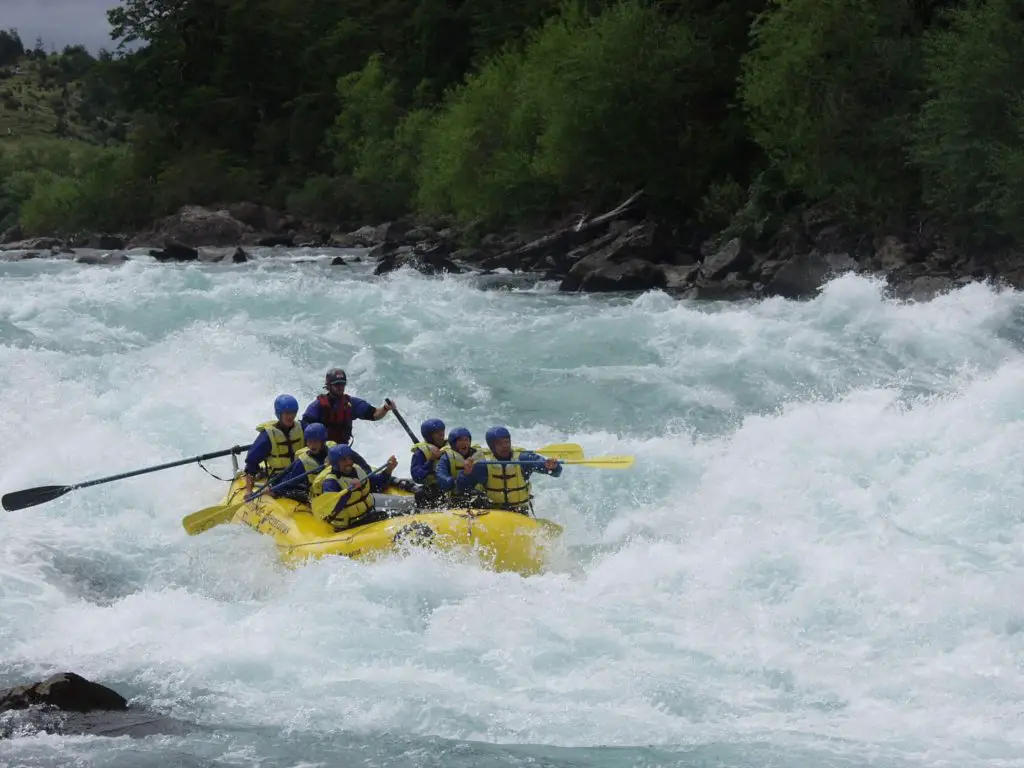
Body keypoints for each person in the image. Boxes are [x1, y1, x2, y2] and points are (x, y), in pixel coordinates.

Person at [454, 426, 562, 515]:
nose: (505, 446)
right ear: (492, 447)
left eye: (507, 442)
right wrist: (466, 473)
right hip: (494, 512)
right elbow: (462, 488)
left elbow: (556, 473)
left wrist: (553, 467)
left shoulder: (523, 459)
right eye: (500, 444)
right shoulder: (483, 465)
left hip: (520, 511)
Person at [301, 367, 395, 447]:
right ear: (328, 386)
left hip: (342, 450)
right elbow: (305, 429)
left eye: (343, 384)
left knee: (360, 463)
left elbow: (374, 414)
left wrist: (385, 408)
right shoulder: (318, 405)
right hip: (320, 449)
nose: (340, 387)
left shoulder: (351, 403)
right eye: (337, 384)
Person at [311, 444, 398, 531]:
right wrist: (349, 490)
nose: (348, 462)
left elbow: (378, 482)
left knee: (398, 515)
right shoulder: (330, 482)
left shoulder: (357, 469)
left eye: (349, 458)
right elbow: (332, 509)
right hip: (349, 525)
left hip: (366, 515)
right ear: (335, 463)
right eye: (343, 460)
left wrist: (388, 470)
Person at [243, 394, 305, 495]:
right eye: (287, 413)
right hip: (278, 478)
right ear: (279, 413)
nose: (291, 416)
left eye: (294, 412)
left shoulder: (302, 428)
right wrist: (248, 491)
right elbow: (251, 462)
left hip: (300, 473)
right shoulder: (268, 436)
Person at [270, 423, 334, 501]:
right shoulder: (303, 462)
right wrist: (274, 490)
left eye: (315, 441)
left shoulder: (334, 450)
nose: (312, 445)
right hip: (317, 498)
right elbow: (290, 481)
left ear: (323, 441)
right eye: (309, 441)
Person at [435, 426, 487, 506]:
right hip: (455, 495)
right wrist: (452, 481)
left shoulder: (478, 456)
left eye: (466, 440)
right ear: (453, 443)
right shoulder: (446, 458)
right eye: (460, 440)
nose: (464, 443)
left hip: (477, 494)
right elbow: (441, 475)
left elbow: (484, 477)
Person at [409, 418, 446, 507]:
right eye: (437, 433)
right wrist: (431, 460)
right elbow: (417, 477)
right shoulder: (420, 453)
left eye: (442, 431)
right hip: (434, 487)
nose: (441, 435)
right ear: (429, 436)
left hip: (451, 484)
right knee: (420, 494)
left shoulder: (452, 446)